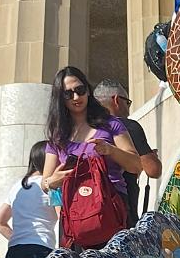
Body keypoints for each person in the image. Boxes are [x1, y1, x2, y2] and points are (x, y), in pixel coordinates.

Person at [41, 69, 141, 240]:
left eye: (80, 90)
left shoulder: (111, 124)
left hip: (111, 207)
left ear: (88, 90)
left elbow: (136, 165)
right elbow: (44, 183)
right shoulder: (57, 137)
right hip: (76, 214)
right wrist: (52, 181)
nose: (76, 97)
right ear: (60, 98)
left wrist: (111, 150)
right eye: (68, 94)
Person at [93, 81, 162, 222]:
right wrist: (149, 157)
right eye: (128, 102)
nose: (128, 108)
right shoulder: (127, 126)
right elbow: (153, 170)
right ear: (116, 100)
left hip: (87, 210)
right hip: (119, 209)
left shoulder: (84, 128)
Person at [0, 142, 59, 258]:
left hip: (14, 252)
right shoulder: (51, 186)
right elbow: (62, 217)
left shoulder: (17, 186)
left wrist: (19, 238)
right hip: (42, 248)